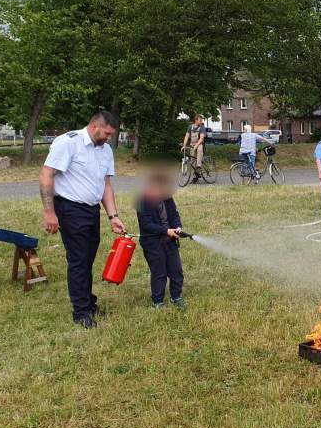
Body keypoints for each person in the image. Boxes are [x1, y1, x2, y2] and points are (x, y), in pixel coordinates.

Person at [39, 111, 126, 329]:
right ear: (95, 125)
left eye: (111, 136)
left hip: (91, 210)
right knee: (78, 260)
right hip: (69, 208)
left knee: (87, 259)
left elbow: (105, 185)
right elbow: (46, 174)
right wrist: (49, 212)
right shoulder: (68, 143)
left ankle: (88, 302)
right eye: (106, 133)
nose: (108, 138)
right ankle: (81, 312)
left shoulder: (105, 150)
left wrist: (113, 216)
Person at [137, 171, 185, 309]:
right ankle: (157, 301)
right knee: (159, 272)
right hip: (152, 243)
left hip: (169, 240)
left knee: (176, 270)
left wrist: (177, 227)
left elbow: (174, 214)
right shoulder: (143, 200)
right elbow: (146, 224)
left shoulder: (167, 197)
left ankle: (176, 297)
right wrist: (166, 231)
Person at [182, 115, 207, 183]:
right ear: (196, 120)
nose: (201, 121)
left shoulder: (202, 127)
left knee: (199, 153)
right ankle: (196, 176)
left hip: (199, 144)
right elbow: (187, 136)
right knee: (192, 161)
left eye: (202, 120)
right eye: (200, 120)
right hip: (192, 145)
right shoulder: (190, 127)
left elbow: (201, 138)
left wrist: (196, 145)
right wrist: (184, 145)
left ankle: (199, 167)